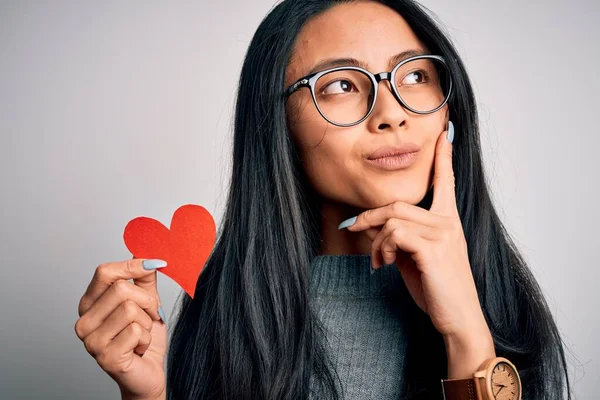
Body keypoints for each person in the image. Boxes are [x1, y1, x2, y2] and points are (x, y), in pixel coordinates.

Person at [74, 0, 573, 399]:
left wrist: (468, 337)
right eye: (339, 85)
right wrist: (150, 397)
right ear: (278, 125)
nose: (392, 113)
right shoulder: (224, 315)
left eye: (415, 76)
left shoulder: (505, 305)